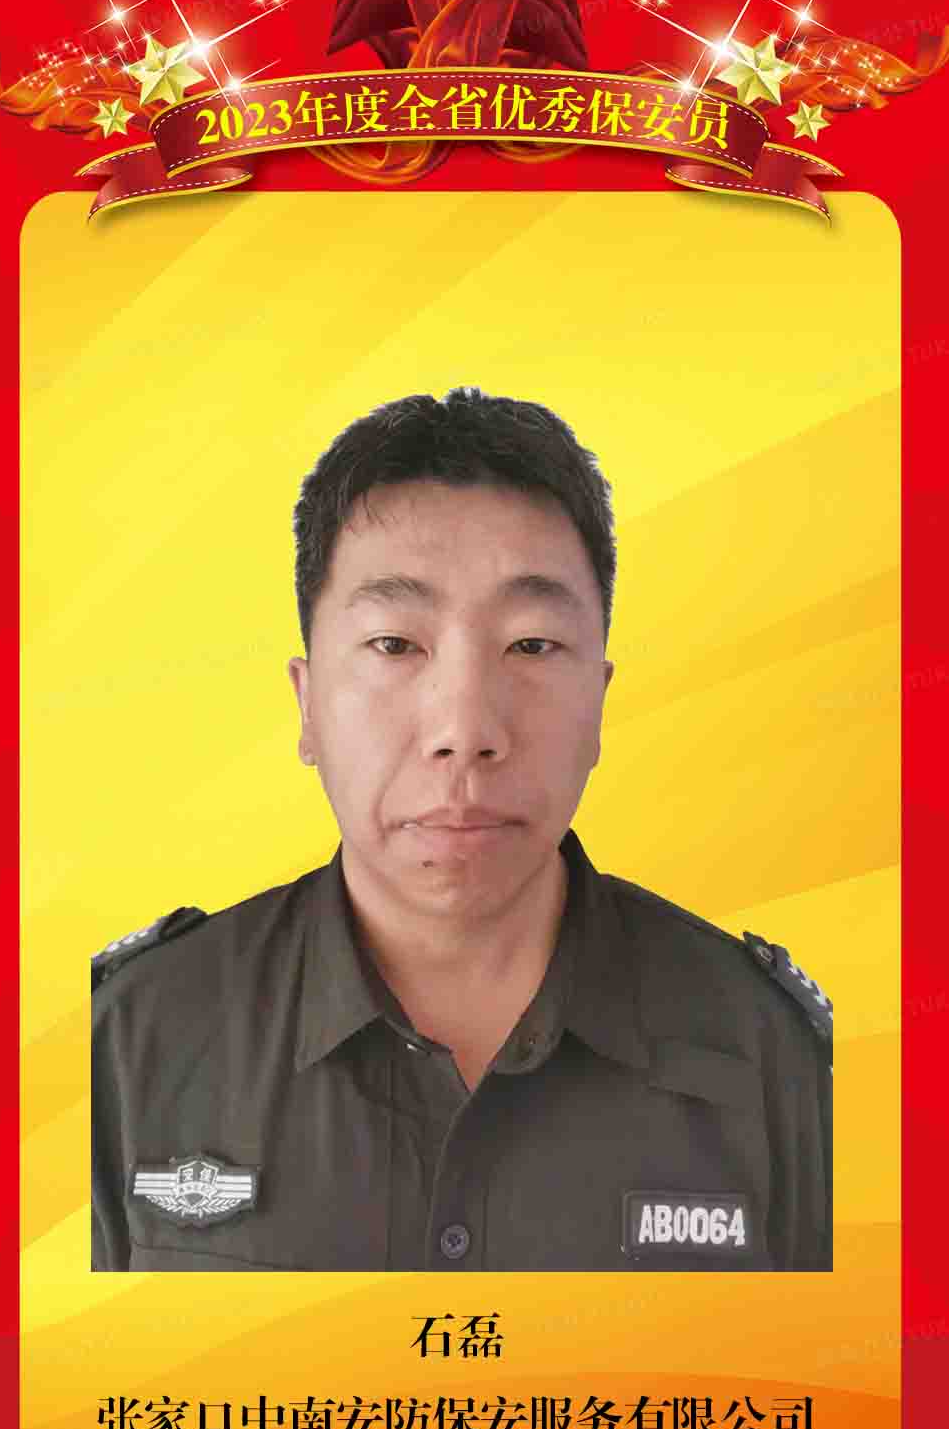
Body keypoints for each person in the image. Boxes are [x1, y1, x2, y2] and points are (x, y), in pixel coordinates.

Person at [92, 387, 832, 1272]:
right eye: (395, 645)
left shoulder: (776, 1053)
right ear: (307, 704)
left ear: (599, 701)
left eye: (530, 645)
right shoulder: (125, 1044)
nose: (465, 728)